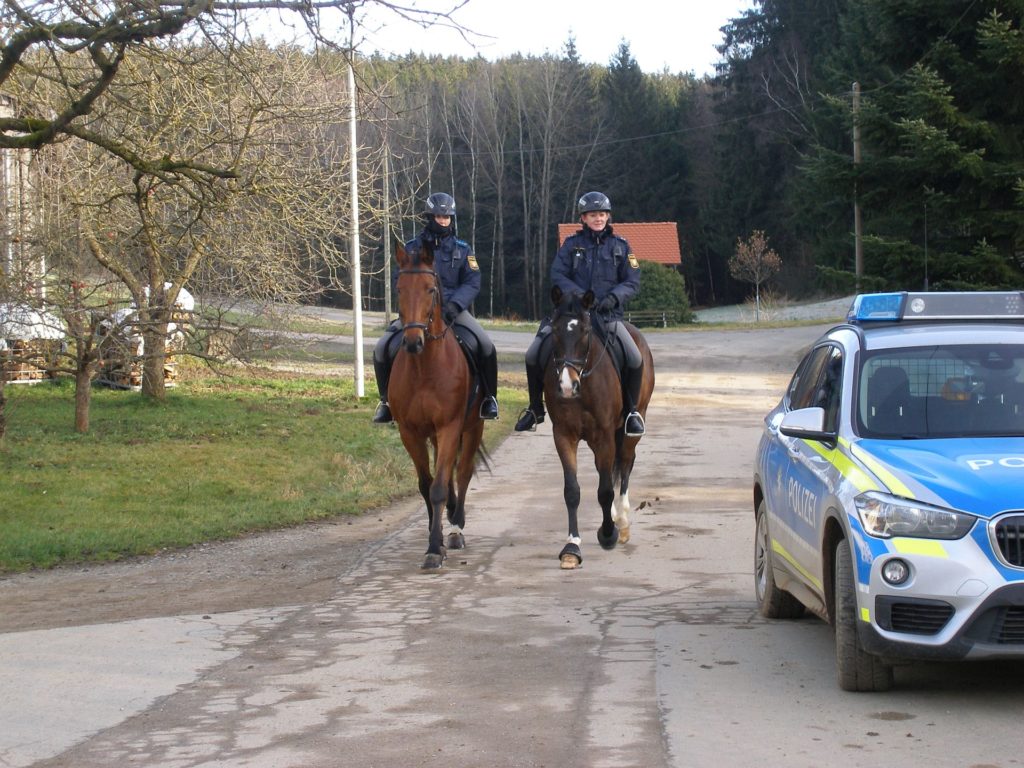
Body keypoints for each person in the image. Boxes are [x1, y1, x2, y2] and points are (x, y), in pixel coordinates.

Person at [514, 190, 646, 437]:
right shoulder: (571, 245)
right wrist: (581, 297)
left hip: (608, 317)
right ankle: (535, 409)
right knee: (533, 354)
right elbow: (558, 274)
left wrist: (612, 298)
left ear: (608, 216)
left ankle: (631, 412)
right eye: (593, 215)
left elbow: (632, 281)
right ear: (583, 218)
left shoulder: (622, 246)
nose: (599, 219)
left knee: (635, 358)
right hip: (572, 315)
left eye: (603, 214)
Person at [372, 192, 500, 423]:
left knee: (486, 346)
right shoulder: (411, 248)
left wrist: (455, 305)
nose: (444, 221)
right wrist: (411, 304)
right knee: (382, 348)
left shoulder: (463, 249)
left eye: (447, 217)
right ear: (429, 217)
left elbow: (473, 281)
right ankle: (386, 402)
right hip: (417, 313)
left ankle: (489, 399)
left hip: (453, 311)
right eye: (439, 216)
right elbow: (398, 279)